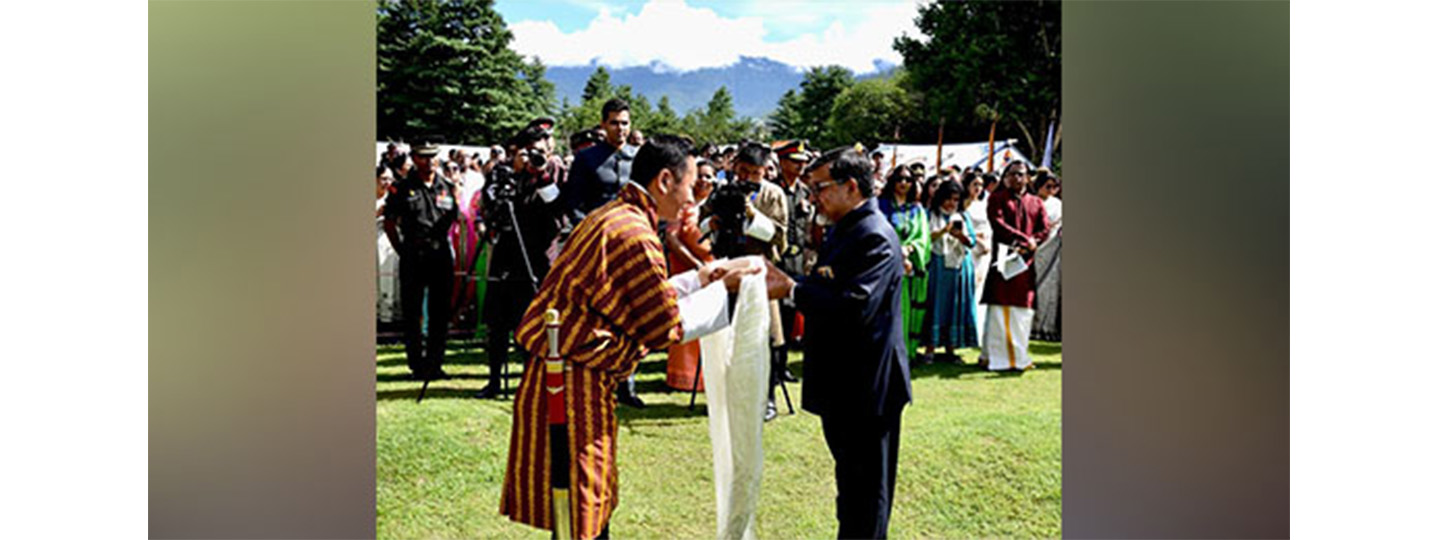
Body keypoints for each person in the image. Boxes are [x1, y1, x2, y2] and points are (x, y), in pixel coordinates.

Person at [499, 135, 788, 539]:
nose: (693, 199)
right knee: (581, 509)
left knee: (582, 504)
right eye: (690, 186)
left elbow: (645, 295)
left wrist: (703, 277)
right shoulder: (633, 232)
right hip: (572, 380)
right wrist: (729, 291)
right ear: (665, 180)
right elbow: (662, 325)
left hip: (567, 372)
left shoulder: (615, 216)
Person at [781, 145, 910, 539]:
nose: (812, 196)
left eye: (819, 187)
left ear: (850, 186)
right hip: (845, 385)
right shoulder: (845, 228)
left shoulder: (873, 235)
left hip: (868, 388)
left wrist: (789, 289)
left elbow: (855, 305)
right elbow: (825, 285)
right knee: (851, 490)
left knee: (867, 494)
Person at [558, 98, 647, 406]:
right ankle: (598, 377)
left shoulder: (640, 159)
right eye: (613, 122)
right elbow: (572, 204)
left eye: (624, 122)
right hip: (596, 246)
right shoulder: (587, 159)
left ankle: (628, 385)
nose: (620, 128)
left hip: (633, 245)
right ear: (603, 125)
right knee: (601, 311)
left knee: (632, 312)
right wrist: (594, 233)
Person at [475, 120, 567, 399]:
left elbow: (557, 208)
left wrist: (540, 174)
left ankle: (531, 381)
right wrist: (513, 174)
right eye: (529, 151)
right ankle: (493, 380)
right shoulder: (507, 174)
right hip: (506, 254)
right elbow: (490, 210)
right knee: (498, 321)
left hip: (537, 256)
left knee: (534, 322)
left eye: (541, 151)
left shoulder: (554, 170)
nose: (534, 157)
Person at [720, 142, 791, 421]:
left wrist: (752, 214)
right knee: (731, 334)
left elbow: (780, 237)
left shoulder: (774, 194)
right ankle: (732, 394)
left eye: (754, 173)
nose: (747, 177)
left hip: (762, 269)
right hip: (730, 268)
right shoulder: (725, 188)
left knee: (768, 336)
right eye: (743, 171)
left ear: (765, 172)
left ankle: (768, 397)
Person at [383, 140, 460, 380]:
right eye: (424, 157)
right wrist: (402, 250)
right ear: (414, 159)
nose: (430, 161)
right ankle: (416, 364)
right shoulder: (402, 188)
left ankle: (435, 364)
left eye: (433, 157)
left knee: (439, 313)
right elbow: (389, 223)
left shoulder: (446, 186)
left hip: (440, 256)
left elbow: (453, 218)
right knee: (412, 312)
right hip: (414, 256)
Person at [980, 161, 1052, 371]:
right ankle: (996, 358)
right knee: (999, 309)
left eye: (1020, 174)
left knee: (1022, 312)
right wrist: (1023, 240)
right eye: (1011, 174)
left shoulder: (1036, 202)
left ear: (1028, 178)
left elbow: (1044, 228)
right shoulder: (997, 198)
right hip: (1004, 260)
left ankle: (1018, 357)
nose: (1016, 178)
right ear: (1005, 177)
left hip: (1026, 264)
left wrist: (1034, 243)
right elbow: (998, 224)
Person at [663, 157, 717, 391]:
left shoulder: (718, 205)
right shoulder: (684, 205)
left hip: (715, 271)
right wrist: (696, 266)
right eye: (700, 175)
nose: (704, 180)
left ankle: (709, 378)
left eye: (709, 176)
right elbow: (672, 238)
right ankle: (683, 377)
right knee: (687, 322)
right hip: (687, 270)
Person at [920, 179, 979, 364]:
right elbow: (924, 239)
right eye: (948, 199)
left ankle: (951, 349)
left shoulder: (963, 217)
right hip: (937, 265)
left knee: (956, 305)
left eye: (955, 199)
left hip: (959, 266)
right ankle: (930, 347)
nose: (951, 203)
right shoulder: (929, 215)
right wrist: (943, 231)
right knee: (935, 304)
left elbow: (972, 242)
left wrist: (959, 235)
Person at [878, 168, 931, 358]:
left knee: (904, 309)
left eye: (908, 179)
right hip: (884, 266)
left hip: (908, 269)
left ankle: (904, 352)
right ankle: (883, 352)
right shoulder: (880, 206)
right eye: (899, 179)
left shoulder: (917, 210)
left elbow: (923, 239)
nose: (903, 183)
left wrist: (908, 250)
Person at [773, 140, 814, 354]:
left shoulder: (804, 192)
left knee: (791, 309)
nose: (801, 166)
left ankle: (783, 363)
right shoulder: (772, 189)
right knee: (775, 311)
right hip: (777, 258)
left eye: (803, 162)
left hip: (798, 259)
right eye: (795, 161)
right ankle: (774, 363)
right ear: (782, 162)